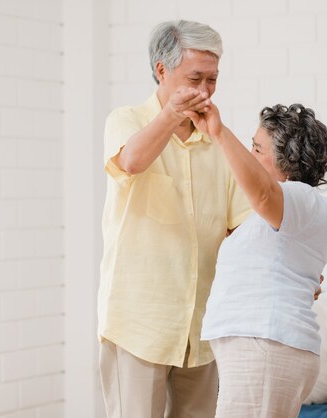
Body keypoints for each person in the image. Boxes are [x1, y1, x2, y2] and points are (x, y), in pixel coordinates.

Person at [97, 20, 253, 418]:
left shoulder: (219, 142)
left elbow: (242, 229)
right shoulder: (126, 120)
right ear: (162, 70)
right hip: (139, 324)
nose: (204, 92)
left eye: (213, 80)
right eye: (195, 78)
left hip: (202, 328)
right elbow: (130, 162)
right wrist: (170, 116)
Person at [189, 103, 327, 418]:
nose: (250, 156)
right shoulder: (295, 210)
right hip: (266, 348)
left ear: (288, 161)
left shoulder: (297, 198)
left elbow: (262, 195)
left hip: (266, 346)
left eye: (257, 149)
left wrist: (218, 130)